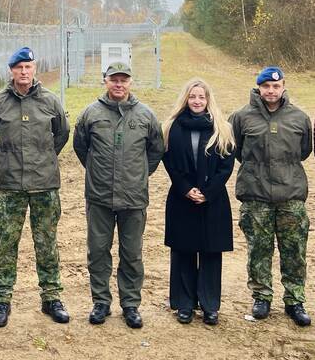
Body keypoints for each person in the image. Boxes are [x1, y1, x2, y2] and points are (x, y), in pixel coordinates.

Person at [0, 46, 71, 328]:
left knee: (46, 243)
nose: (24, 72)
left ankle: (51, 297)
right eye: (19, 67)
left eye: (28, 67)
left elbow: (62, 133)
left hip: (44, 185)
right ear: (11, 71)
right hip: (10, 187)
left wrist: (45, 158)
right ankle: (2, 299)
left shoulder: (50, 100)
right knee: (6, 244)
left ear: (34, 69)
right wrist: (4, 161)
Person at [73, 62, 165, 329]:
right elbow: (81, 147)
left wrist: (138, 175)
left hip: (133, 198)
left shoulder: (146, 115)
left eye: (124, 80)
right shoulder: (91, 113)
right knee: (98, 251)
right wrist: (97, 172)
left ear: (130, 82)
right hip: (100, 196)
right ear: (105, 81)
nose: (119, 84)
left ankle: (131, 304)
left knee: (132, 253)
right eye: (114, 79)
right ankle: (101, 302)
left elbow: (156, 150)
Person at [231, 66, 313, 326]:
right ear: (259, 88)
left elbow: (304, 151)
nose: (271, 91)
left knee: (294, 251)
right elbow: (237, 150)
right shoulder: (241, 117)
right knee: (259, 250)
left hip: (291, 195)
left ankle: (295, 300)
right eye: (266, 86)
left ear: (283, 87)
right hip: (256, 194)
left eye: (276, 86)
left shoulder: (299, 118)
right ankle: (261, 297)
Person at [162, 78, 235, 325]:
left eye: (201, 97)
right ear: (186, 99)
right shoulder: (172, 127)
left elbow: (226, 165)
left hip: (213, 199)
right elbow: (169, 161)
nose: (196, 101)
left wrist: (208, 191)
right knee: (183, 251)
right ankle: (184, 304)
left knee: (210, 252)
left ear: (208, 99)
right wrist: (185, 188)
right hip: (182, 198)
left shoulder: (222, 128)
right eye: (192, 96)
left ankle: (210, 305)